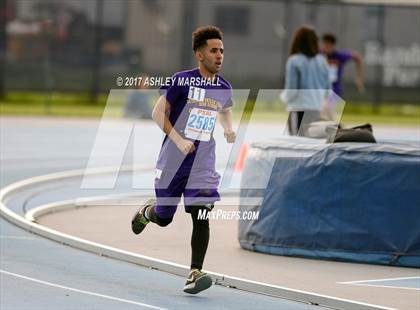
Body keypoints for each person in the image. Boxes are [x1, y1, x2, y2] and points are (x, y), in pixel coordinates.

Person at [131, 25, 235, 294]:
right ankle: (147, 212)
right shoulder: (181, 80)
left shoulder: (223, 86)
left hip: (202, 163)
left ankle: (194, 272)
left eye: (222, 51)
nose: (219, 55)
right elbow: (157, 113)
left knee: (201, 214)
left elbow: (224, 109)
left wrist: (228, 127)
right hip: (173, 162)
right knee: (164, 218)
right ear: (200, 55)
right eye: (213, 51)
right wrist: (178, 140)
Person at [281, 26, 331, 136]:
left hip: (298, 109)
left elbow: (292, 91)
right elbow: (328, 90)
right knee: (310, 146)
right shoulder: (322, 61)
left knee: (296, 145)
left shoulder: (294, 61)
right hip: (316, 110)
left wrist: (283, 97)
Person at [321, 33, 365, 97]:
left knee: (335, 106)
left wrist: (359, 77)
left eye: (328, 46)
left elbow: (358, 57)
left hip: (335, 90)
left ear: (333, 45)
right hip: (320, 89)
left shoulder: (339, 56)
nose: (326, 48)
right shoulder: (318, 55)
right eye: (325, 45)